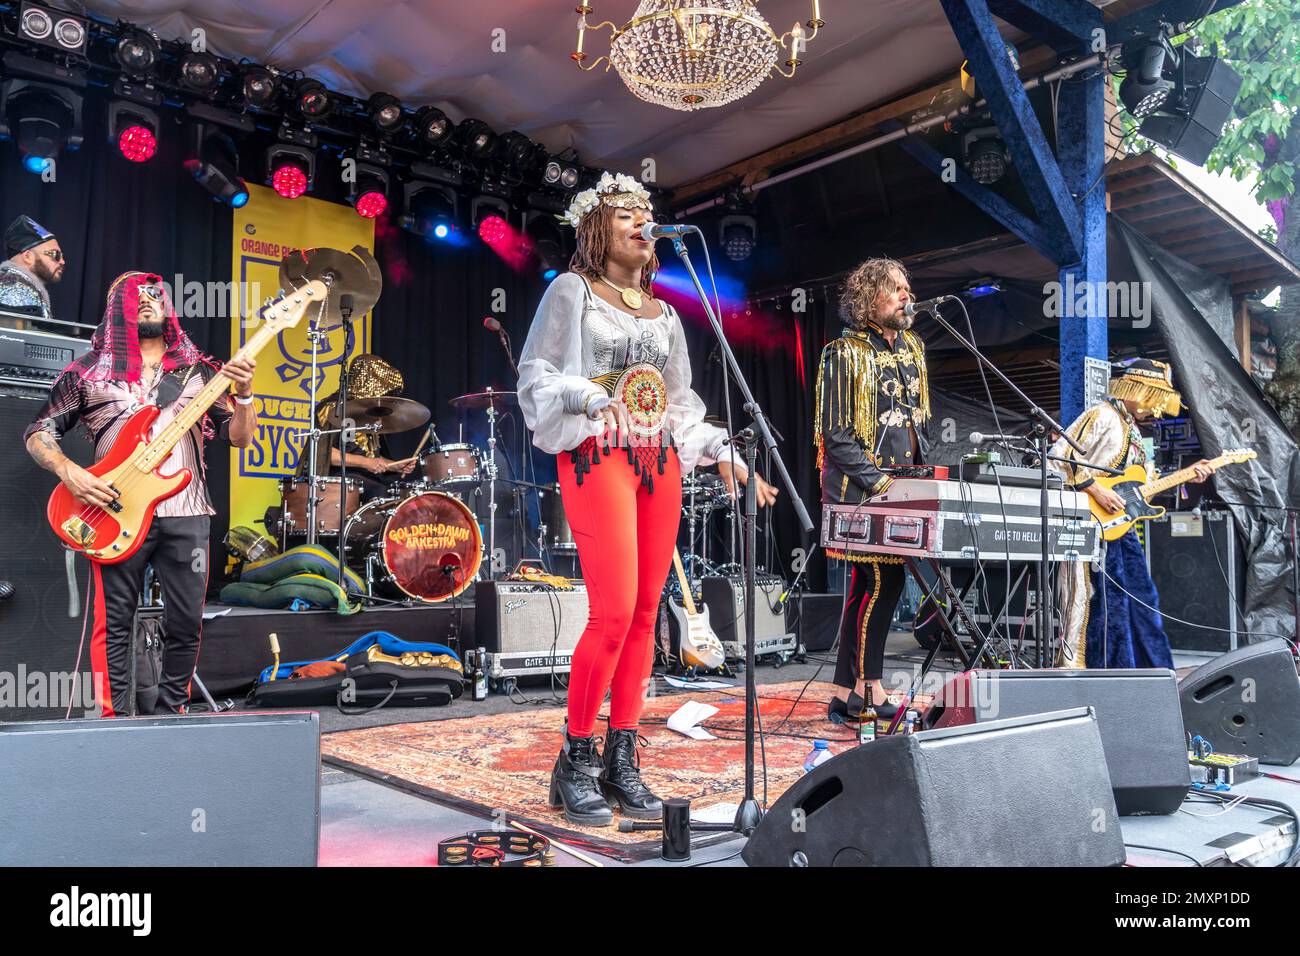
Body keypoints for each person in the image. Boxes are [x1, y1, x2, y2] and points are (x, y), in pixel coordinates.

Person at [519, 171, 777, 826]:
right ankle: (574, 760)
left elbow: (681, 401)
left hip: (658, 460)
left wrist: (722, 452)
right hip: (598, 451)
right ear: (597, 228)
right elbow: (537, 375)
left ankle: (621, 758)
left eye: (648, 214)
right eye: (628, 214)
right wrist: (589, 395)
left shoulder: (665, 312)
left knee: (644, 616)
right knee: (611, 613)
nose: (643, 224)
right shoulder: (572, 292)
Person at [24, 272, 257, 716]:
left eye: (156, 295)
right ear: (117, 310)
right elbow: (39, 431)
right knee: (113, 622)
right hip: (112, 509)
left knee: (186, 620)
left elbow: (240, 438)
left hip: (185, 510)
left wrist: (244, 396)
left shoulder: (198, 372)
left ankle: (173, 715)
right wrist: (69, 472)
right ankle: (113, 721)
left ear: (170, 309)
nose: (147, 302)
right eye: (136, 297)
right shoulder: (88, 371)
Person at [815, 257, 930, 724]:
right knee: (884, 584)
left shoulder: (913, 348)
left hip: (900, 487)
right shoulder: (845, 353)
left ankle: (847, 692)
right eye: (895, 289)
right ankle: (872, 687)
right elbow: (837, 434)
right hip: (860, 489)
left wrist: (918, 481)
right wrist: (880, 482)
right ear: (868, 298)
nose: (906, 295)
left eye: (907, 287)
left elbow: (915, 425)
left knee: (867, 587)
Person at [1052, 359, 1216, 668]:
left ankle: (1143, 669)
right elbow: (1058, 457)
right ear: (1135, 389)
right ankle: (1088, 668)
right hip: (1090, 524)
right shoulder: (1101, 415)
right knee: (1094, 600)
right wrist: (1096, 489)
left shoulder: (1135, 432)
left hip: (1121, 527)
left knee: (1141, 598)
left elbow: (1141, 491)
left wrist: (1187, 475)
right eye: (1152, 399)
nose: (1154, 410)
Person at [302, 353, 416, 501]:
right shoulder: (335, 408)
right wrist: (366, 463)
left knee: (403, 492)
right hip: (339, 480)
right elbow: (322, 453)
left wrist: (394, 465)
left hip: (368, 479)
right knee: (383, 494)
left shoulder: (369, 414)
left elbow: (371, 456)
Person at [0, 215, 65, 333]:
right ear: (28, 256)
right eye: (55, 255)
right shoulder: (13, 285)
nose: (62, 261)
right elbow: (12, 345)